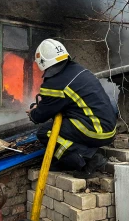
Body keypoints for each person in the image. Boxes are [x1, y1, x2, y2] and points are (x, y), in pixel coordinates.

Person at [26, 39, 117, 178]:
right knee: (64, 126)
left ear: (42, 63)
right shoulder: (78, 70)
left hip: (96, 130)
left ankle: (87, 161)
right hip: (108, 127)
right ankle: (69, 159)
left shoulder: (55, 83)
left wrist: (33, 113)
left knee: (46, 132)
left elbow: (40, 116)